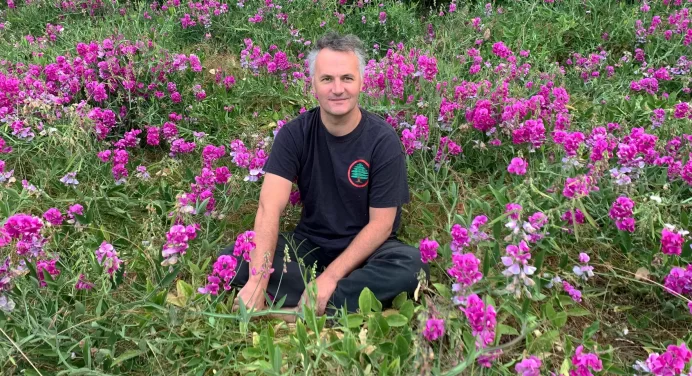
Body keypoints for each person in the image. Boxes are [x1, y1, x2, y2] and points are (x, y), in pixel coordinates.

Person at [221, 32, 429, 318]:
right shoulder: (294, 134)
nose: (337, 89)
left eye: (346, 78)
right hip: (309, 247)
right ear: (313, 85)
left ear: (361, 82)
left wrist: (330, 277)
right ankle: (337, 302)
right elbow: (269, 206)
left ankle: (298, 306)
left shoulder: (383, 140)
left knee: (413, 265)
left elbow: (381, 225)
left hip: (368, 252)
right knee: (232, 255)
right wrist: (259, 277)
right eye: (327, 79)